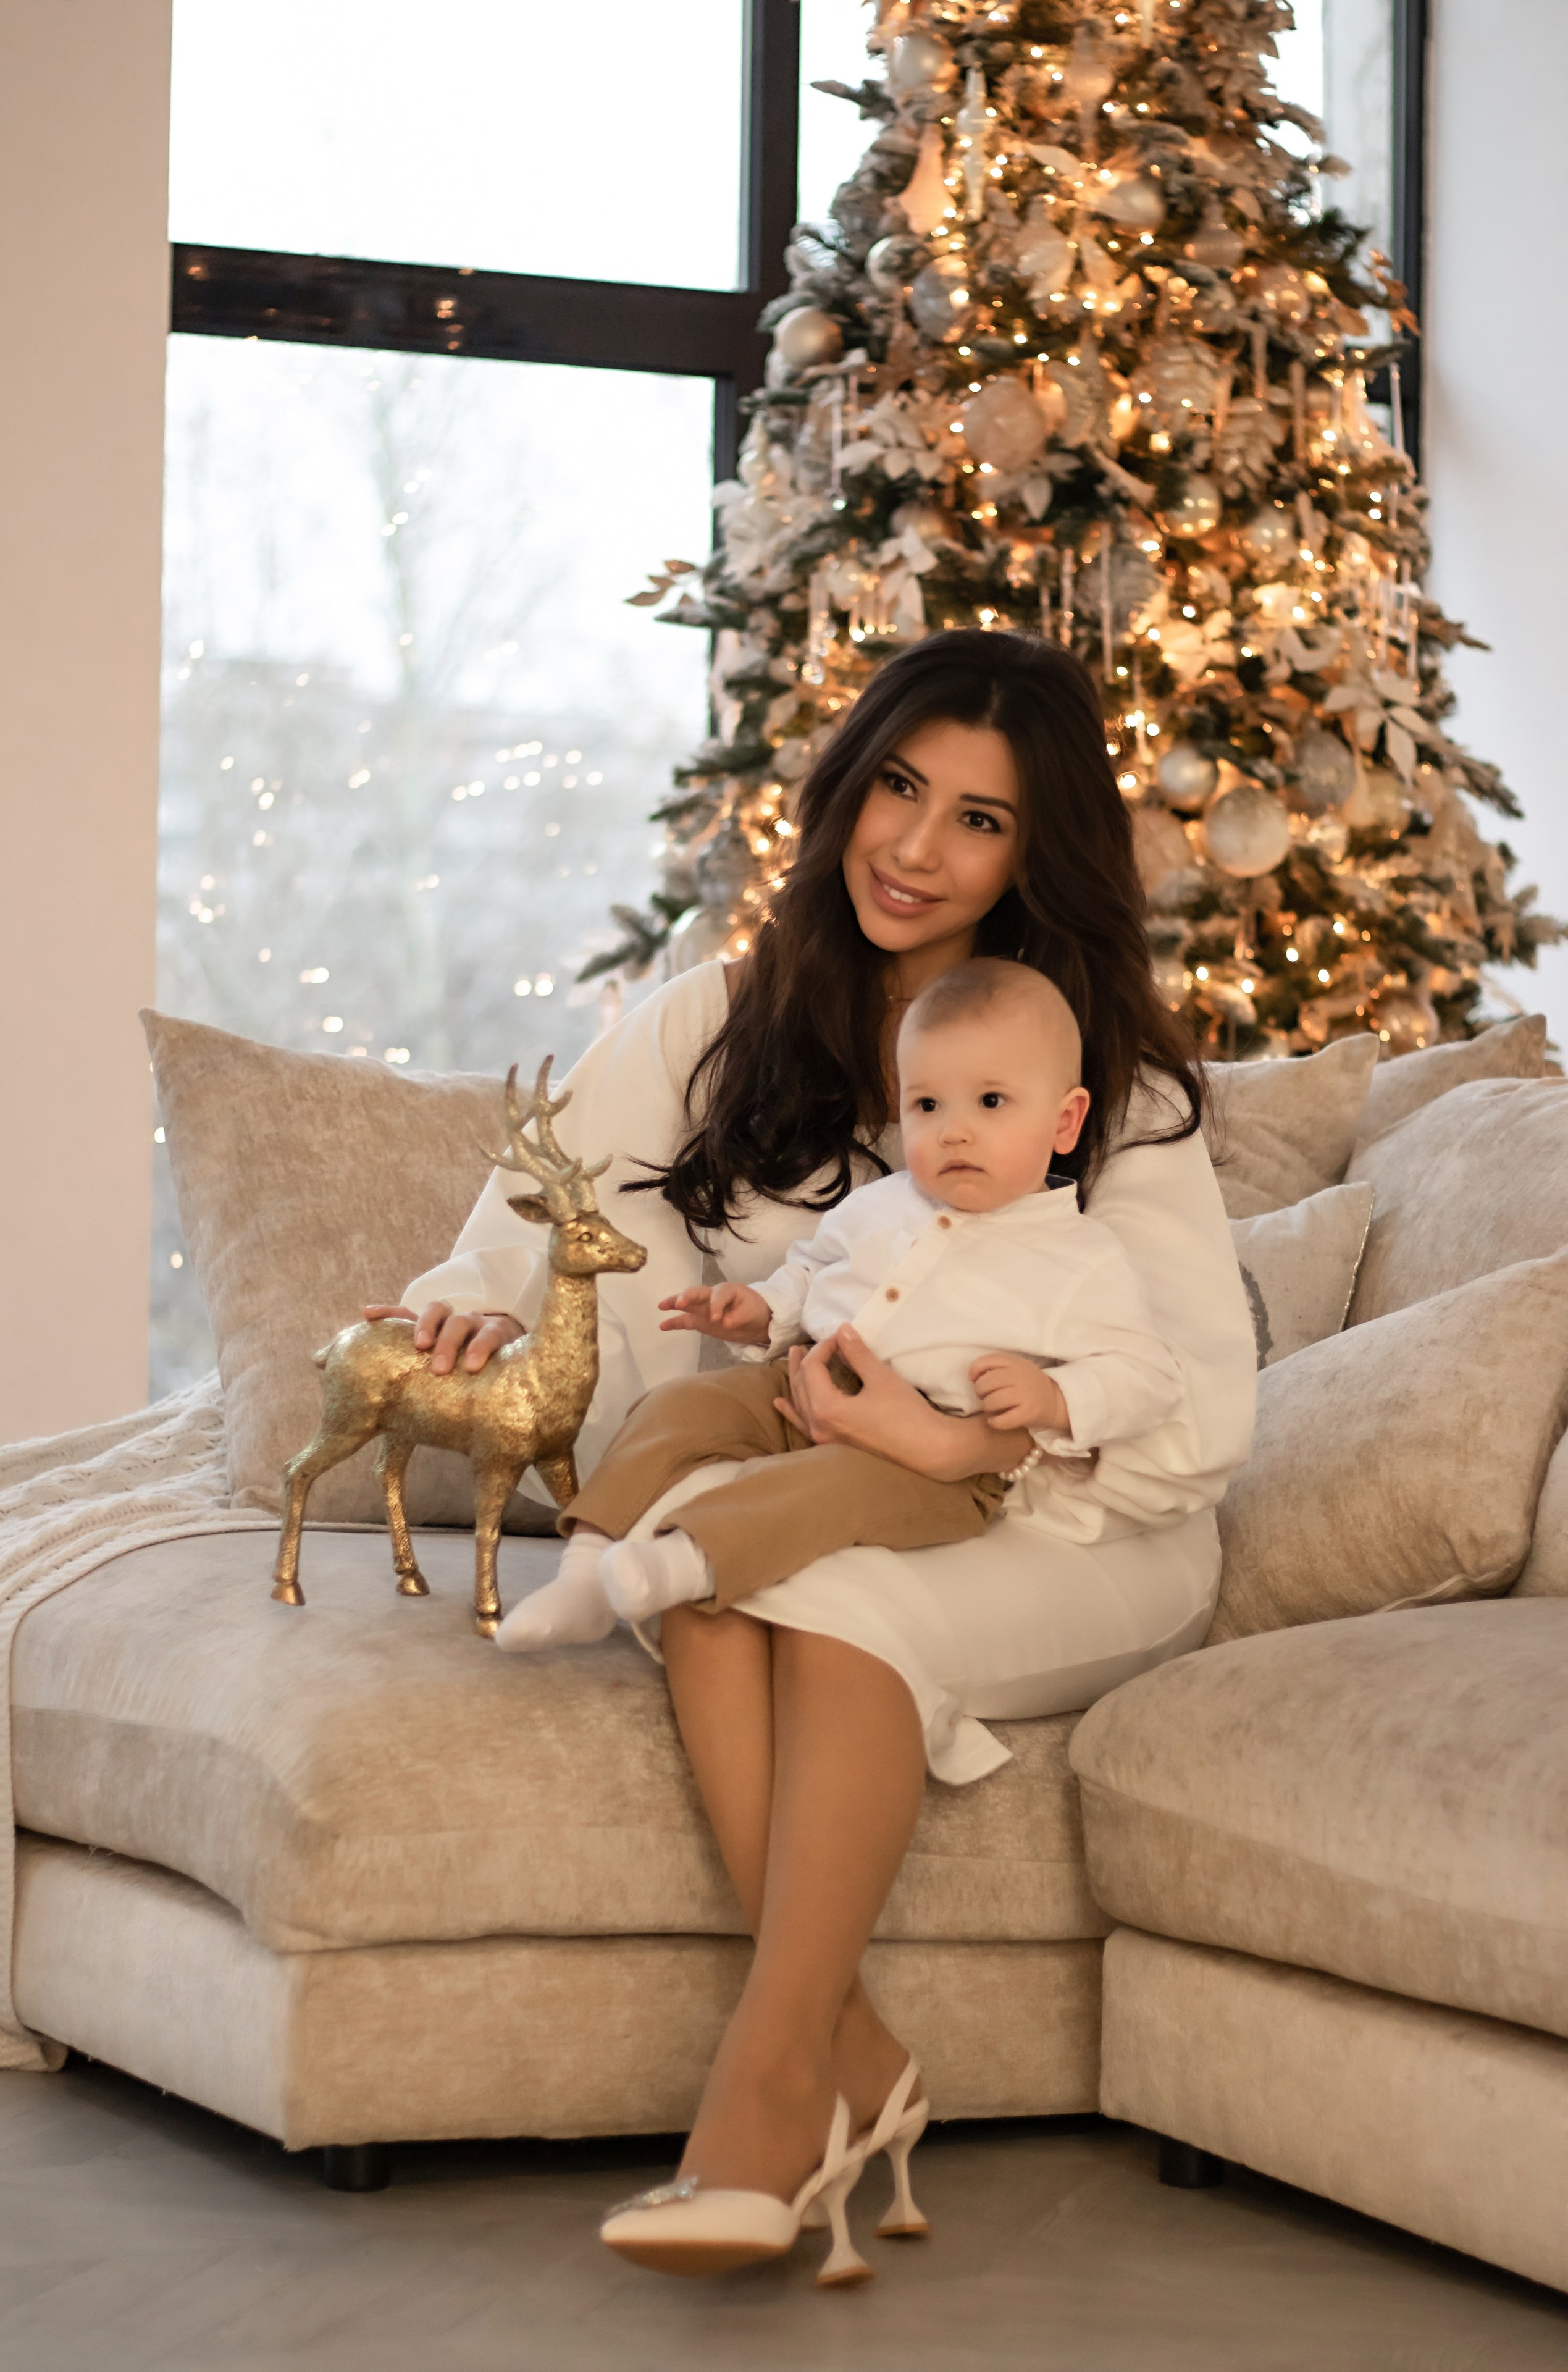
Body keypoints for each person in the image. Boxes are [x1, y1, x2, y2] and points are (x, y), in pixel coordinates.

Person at [365, 631, 1256, 2283]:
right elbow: (532, 1222)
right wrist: (470, 1314)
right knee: (705, 1565)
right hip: (812, 1470)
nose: (915, 848)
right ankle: (863, 2060)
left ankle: (772, 2098)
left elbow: (1191, 1417)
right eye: (899, 788)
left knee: (821, 1592)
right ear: (847, 786)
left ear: (1035, 853)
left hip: (1074, 1529)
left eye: (980, 820)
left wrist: (942, 1433)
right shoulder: (712, 1015)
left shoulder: (1097, 1084)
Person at [516, 958, 1183, 1635]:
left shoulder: (1081, 1258)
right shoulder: (882, 1203)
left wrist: (1055, 1400)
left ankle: (678, 1565)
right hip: (801, 1381)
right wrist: (763, 1311)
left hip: (932, 1462)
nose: (953, 1130)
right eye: (927, 1105)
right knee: (677, 1405)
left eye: (990, 1102)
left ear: (1065, 1122)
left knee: (815, 1491)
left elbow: (1149, 1378)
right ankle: (585, 1572)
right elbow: (814, 1269)